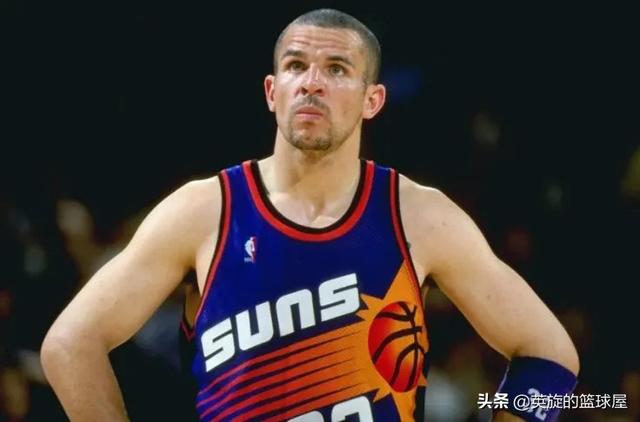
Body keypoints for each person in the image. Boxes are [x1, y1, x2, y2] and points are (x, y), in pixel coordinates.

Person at [40, 8, 579, 422]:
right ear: (272, 92)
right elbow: (70, 344)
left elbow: (550, 355)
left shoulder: (419, 215)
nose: (311, 82)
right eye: (296, 66)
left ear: (372, 100)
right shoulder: (204, 210)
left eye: (337, 69)